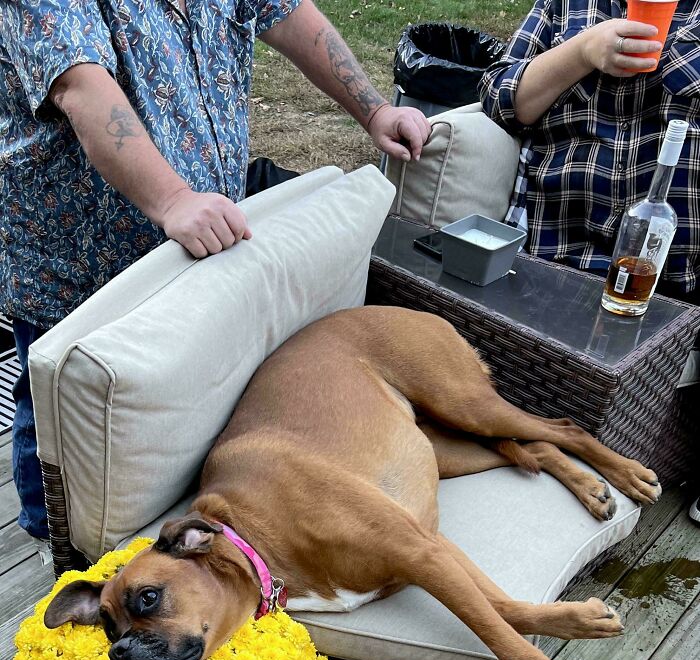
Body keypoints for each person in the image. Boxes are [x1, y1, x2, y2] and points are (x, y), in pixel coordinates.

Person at [0, 0, 431, 544]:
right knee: (58, 414)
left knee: (162, 411)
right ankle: (56, 551)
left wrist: (374, 110)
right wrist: (173, 198)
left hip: (187, 250)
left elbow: (288, 14)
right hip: (77, 263)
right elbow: (79, 87)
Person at [479, 0, 700, 522]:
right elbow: (499, 98)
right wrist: (583, 50)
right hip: (566, 251)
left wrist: (670, 57)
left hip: (683, 259)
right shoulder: (566, 5)